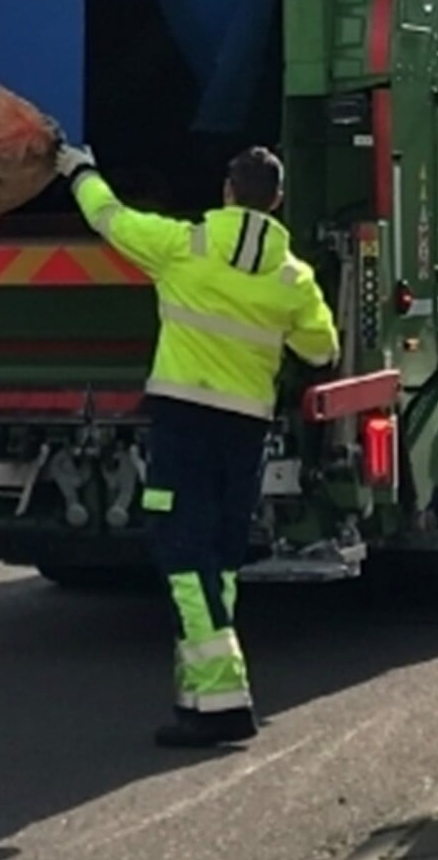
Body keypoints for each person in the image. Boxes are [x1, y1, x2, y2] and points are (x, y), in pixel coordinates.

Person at [52, 142, 340, 748]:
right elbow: (321, 352)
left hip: (184, 423)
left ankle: (225, 694)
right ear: (278, 202)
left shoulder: (184, 246)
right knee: (220, 557)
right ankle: (200, 700)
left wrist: (79, 169)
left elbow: (110, 219)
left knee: (179, 551)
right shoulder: (295, 277)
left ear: (228, 193)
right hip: (245, 430)